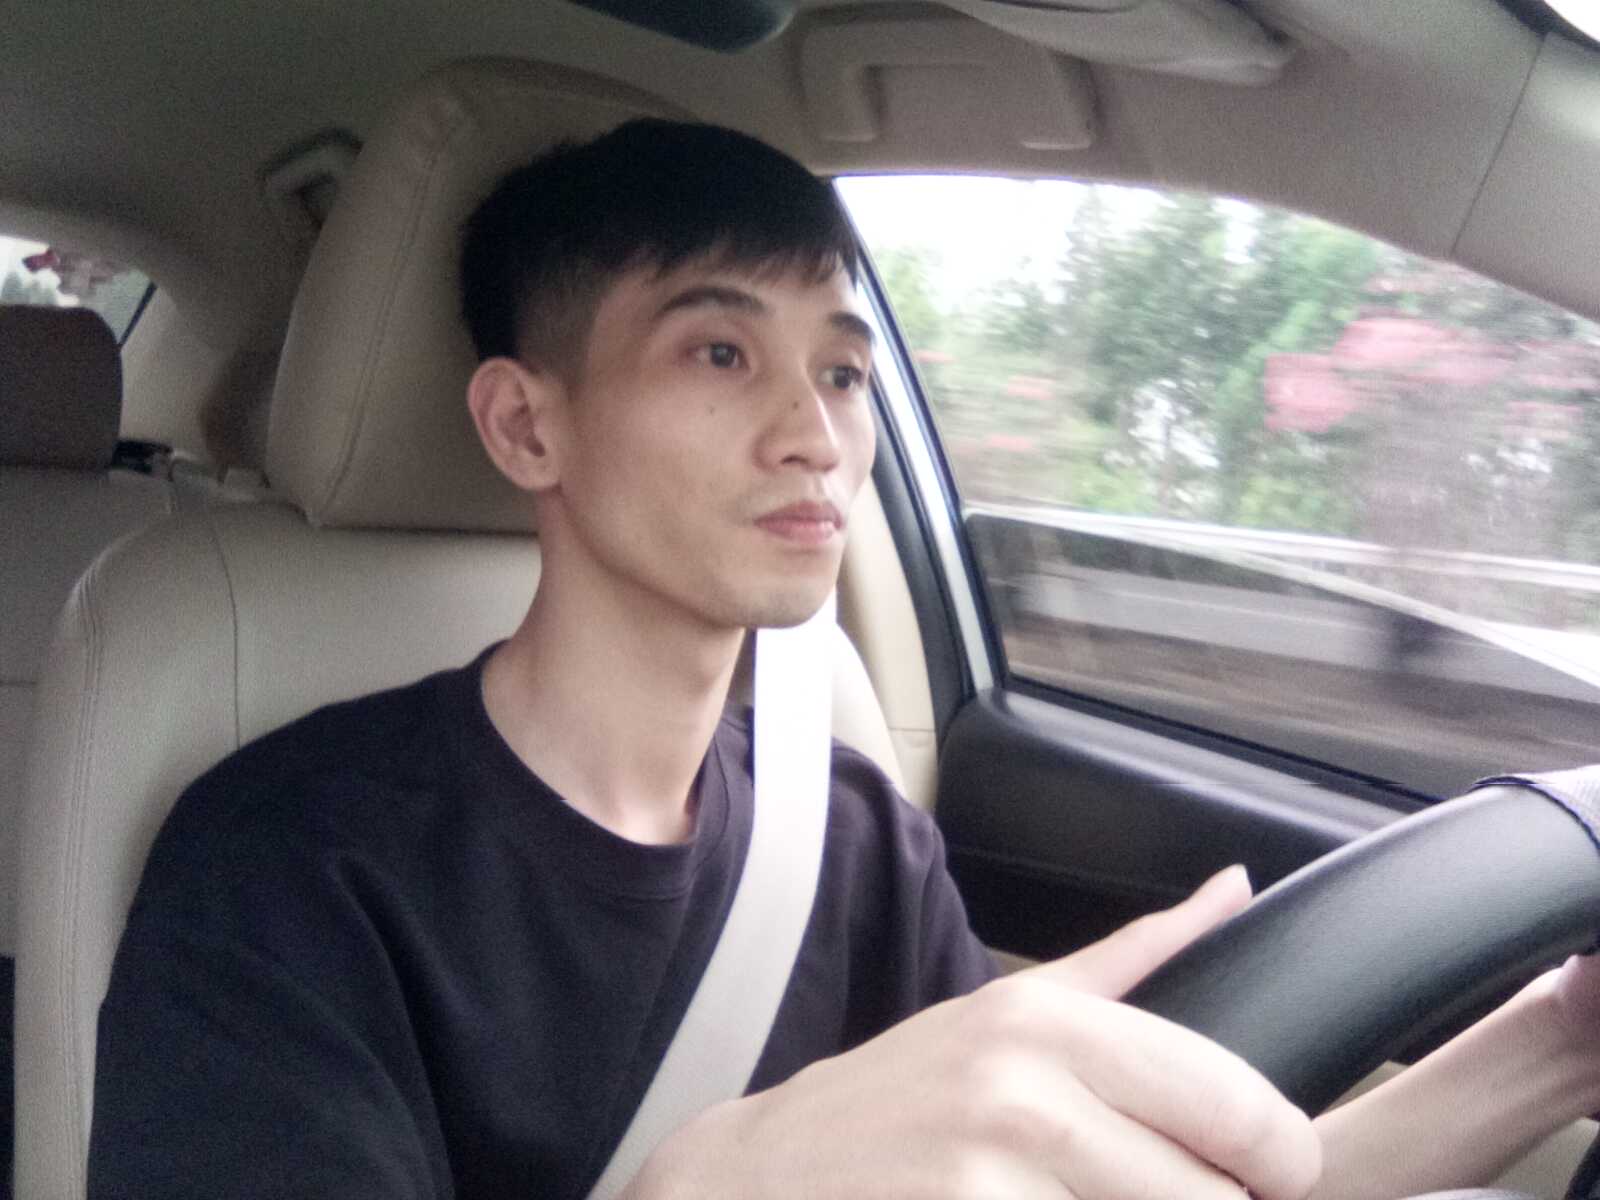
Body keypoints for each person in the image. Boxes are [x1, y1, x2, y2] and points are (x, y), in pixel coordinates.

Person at [88, 119, 1600, 1200]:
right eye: (720, 351)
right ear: (526, 425)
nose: (817, 433)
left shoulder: (857, 837)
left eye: (843, 368)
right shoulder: (283, 867)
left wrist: (1559, 1045)